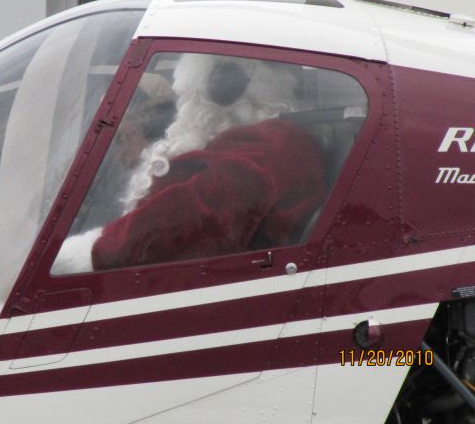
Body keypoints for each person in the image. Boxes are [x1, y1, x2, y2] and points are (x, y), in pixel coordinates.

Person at [52, 53, 326, 274]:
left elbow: (196, 215)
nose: (185, 107)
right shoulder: (254, 141)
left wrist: (93, 251)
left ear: (224, 88)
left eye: (191, 98)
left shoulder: (272, 145)